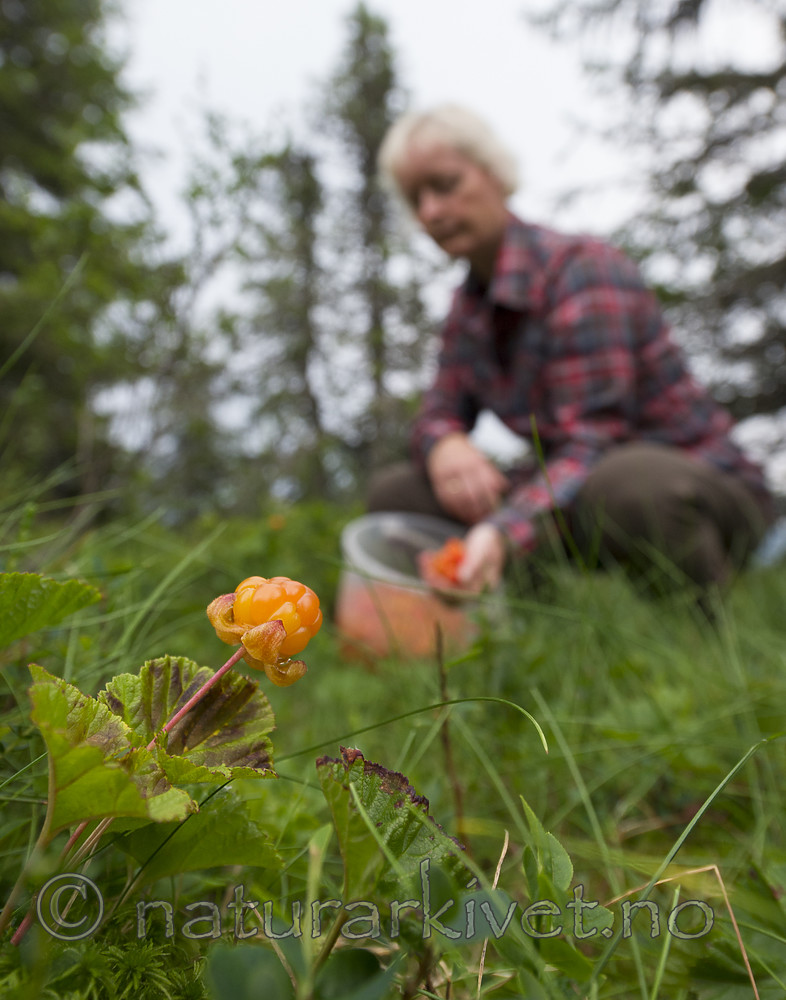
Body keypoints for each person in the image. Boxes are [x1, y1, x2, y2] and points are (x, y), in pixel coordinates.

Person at [369, 104, 775, 598]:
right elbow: (439, 411)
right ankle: (516, 637)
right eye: (416, 199)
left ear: (495, 174)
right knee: (399, 494)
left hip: (695, 489)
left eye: (445, 184)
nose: (430, 211)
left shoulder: (580, 271)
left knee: (628, 483)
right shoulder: (467, 310)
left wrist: (503, 531)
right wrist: (444, 442)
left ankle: (705, 632)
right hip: (580, 490)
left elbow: (594, 442)